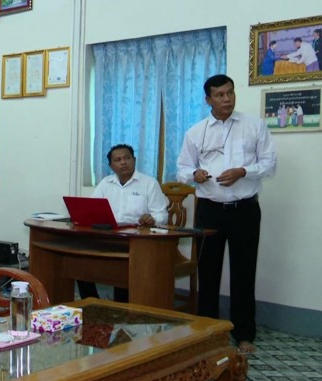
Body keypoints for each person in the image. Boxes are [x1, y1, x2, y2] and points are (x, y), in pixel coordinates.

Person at [177, 74, 276, 354]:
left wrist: (244, 171)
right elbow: (182, 168)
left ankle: (244, 334)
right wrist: (194, 174)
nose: (227, 99)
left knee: (244, 272)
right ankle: (208, 332)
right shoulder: (196, 132)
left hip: (245, 209)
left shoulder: (254, 125)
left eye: (230, 93)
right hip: (209, 210)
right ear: (208, 99)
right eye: (219, 95)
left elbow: (269, 164)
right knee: (207, 272)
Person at [76, 144, 169, 303]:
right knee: (79, 259)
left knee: (124, 264)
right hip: (109, 237)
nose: (123, 162)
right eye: (117, 160)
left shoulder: (149, 183)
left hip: (137, 240)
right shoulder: (105, 183)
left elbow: (162, 214)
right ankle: (93, 302)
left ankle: (122, 306)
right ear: (111, 166)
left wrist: (152, 219)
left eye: (127, 158)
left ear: (134, 160)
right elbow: (92, 209)